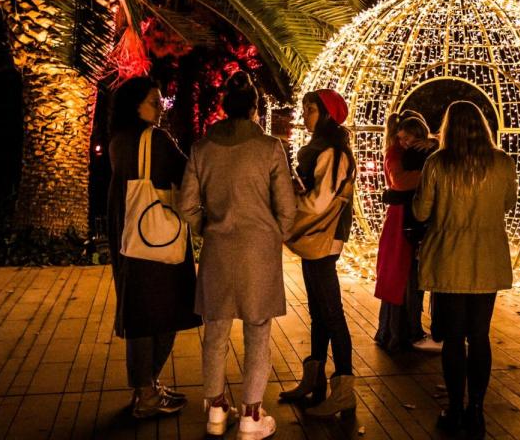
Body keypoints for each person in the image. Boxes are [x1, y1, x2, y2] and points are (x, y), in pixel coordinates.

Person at [178, 72, 297, 437]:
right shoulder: (269, 148)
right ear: (255, 108)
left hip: (217, 250)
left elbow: (186, 205)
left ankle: (215, 409)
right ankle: (251, 414)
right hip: (258, 251)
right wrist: (276, 232)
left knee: (215, 332)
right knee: (257, 332)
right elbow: (288, 208)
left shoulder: (202, 148)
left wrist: (207, 227)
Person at [412, 101, 517, 438]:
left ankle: (455, 408)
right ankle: (477, 409)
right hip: (487, 259)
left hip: (449, 259)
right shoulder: (501, 163)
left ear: (447, 127)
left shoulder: (438, 164)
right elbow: (509, 203)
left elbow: (421, 211)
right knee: (480, 335)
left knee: (454, 339)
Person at [106, 77, 201, 419]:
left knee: (139, 312)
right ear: (137, 105)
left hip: (127, 234)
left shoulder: (118, 140)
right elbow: (189, 173)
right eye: (154, 102)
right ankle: (146, 391)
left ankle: (145, 387)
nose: (160, 108)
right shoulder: (155, 140)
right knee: (164, 312)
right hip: (157, 239)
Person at [278, 89, 358, 418]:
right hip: (317, 238)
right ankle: (314, 380)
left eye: (309, 109)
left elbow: (321, 201)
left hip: (323, 239)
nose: (305, 115)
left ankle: (344, 390)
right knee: (320, 311)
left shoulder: (333, 152)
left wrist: (289, 209)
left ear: (325, 114)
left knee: (332, 313)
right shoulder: (320, 151)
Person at [374, 112, 440, 353]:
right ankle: (396, 331)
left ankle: (406, 329)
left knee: (412, 275)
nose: (405, 143)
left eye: (409, 139)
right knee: (400, 274)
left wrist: (433, 145)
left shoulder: (425, 153)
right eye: (401, 138)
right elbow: (399, 182)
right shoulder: (395, 153)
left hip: (413, 219)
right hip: (400, 222)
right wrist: (432, 176)